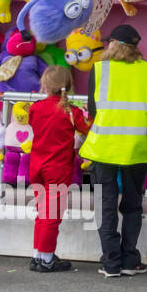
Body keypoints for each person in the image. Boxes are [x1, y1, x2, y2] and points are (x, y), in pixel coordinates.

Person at [82, 24, 147, 278]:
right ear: (136, 48)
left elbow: (92, 109)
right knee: (133, 205)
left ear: (112, 44)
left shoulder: (99, 69)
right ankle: (130, 260)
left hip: (105, 147)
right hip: (137, 147)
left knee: (106, 204)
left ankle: (110, 262)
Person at [28, 66, 90, 273]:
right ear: (69, 86)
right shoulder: (72, 112)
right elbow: (88, 129)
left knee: (42, 213)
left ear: (44, 85)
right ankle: (46, 259)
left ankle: (38, 254)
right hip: (58, 168)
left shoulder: (35, 108)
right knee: (51, 215)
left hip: (36, 166)